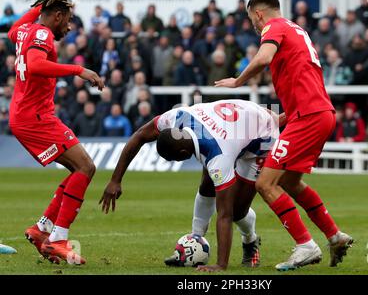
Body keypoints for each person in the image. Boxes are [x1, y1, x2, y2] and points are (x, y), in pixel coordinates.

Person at [215, 0, 353, 271]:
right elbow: (305, 87)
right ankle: (335, 235)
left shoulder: (274, 27)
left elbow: (264, 58)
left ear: (258, 13)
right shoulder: (296, 30)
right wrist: (278, 120)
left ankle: (305, 245)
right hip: (318, 113)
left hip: (309, 118)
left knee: (265, 184)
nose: (254, 26)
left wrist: (238, 81)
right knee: (290, 183)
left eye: (252, 19)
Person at [100, 100, 285, 270]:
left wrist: (221, 265)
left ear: (182, 152)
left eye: (174, 159)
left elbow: (224, 214)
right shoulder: (174, 118)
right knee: (206, 187)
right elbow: (140, 135)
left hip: (262, 138)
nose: (176, 162)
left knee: (236, 211)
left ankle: (250, 241)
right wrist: (115, 179)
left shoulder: (218, 156)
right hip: (236, 122)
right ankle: (195, 239)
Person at [7, 0, 104, 265]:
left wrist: (44, 0)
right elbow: (36, 65)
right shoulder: (43, 33)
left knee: (79, 169)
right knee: (86, 167)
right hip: (34, 118)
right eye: (69, 20)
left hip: (27, 115)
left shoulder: (25, 30)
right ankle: (58, 239)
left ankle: (42, 230)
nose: (70, 27)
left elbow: (15, 29)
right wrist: (80, 70)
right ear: (58, 16)